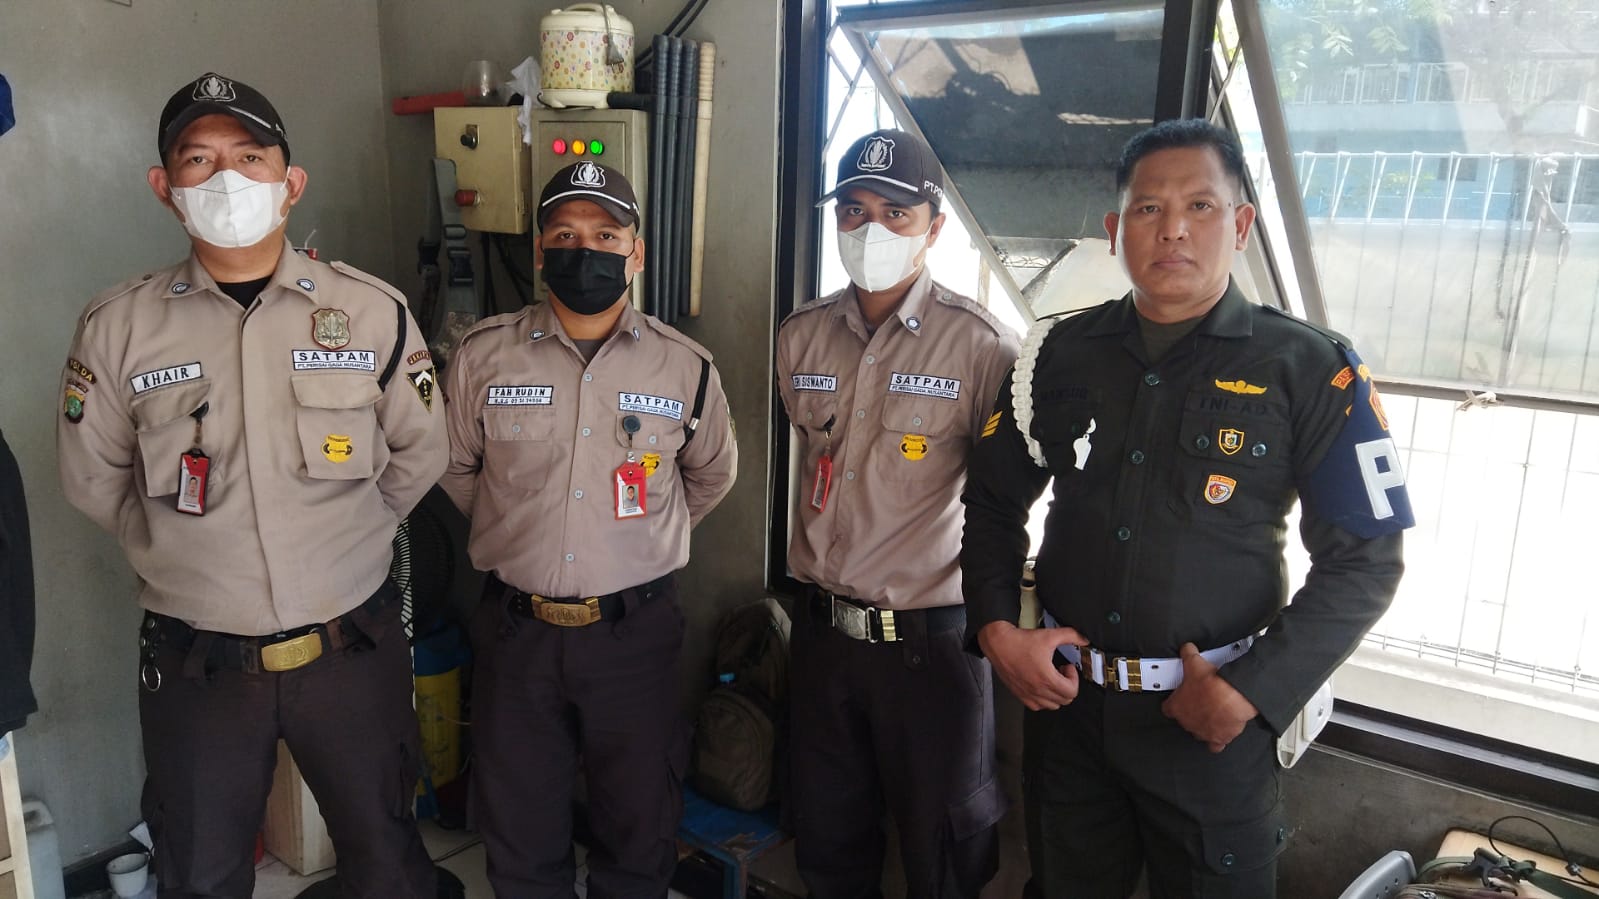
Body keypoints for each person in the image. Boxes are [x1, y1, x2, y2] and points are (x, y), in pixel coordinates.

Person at [960, 118, 1413, 898]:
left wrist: (1252, 690)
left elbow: (1366, 560)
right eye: (1147, 208)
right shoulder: (1055, 354)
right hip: (1070, 716)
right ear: (1115, 231)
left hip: (1210, 730)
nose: (1171, 228)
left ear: (1239, 225)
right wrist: (998, 628)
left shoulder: (1309, 366)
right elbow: (993, 503)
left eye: (1199, 206)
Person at [57, 72, 446, 898]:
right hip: (199, 662)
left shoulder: (369, 311)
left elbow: (419, 453)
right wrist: (187, 554)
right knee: (199, 873)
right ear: (164, 188)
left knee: (387, 859)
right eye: (197, 159)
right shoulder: (119, 326)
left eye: (249, 156)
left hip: (351, 650)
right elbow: (94, 478)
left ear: (289, 181)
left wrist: (347, 541)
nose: (226, 178)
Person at [441, 161, 738, 897]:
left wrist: (634, 544)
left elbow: (709, 476)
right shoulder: (484, 354)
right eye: (566, 234)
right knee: (519, 829)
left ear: (636, 253)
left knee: (638, 826)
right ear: (541, 251)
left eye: (606, 235)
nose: (586, 250)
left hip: (633, 635)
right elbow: (455, 466)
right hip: (517, 632)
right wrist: (522, 530)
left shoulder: (685, 367)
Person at [776, 129, 1019, 898]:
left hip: (929, 648)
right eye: (852, 211)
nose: (869, 229)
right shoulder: (800, 335)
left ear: (933, 227)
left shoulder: (981, 346)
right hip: (822, 638)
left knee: (943, 853)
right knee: (827, 841)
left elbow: (1005, 500)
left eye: (894, 213)